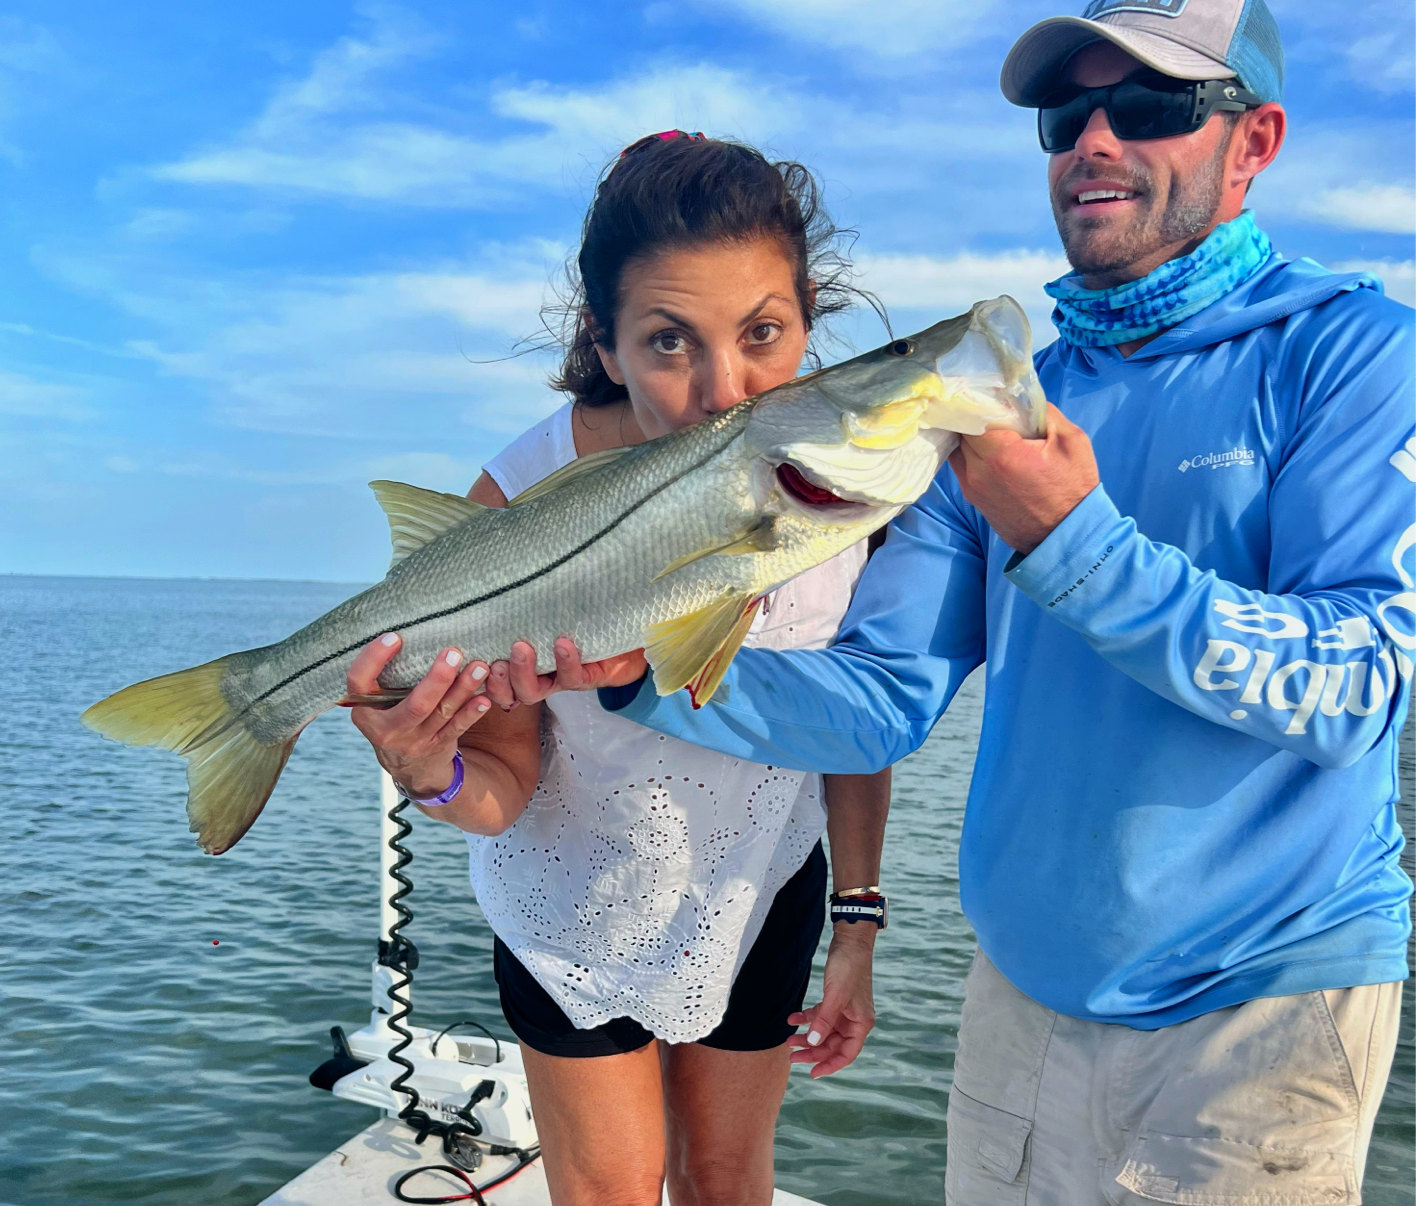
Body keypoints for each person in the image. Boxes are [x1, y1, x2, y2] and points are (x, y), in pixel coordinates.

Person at [491, 3, 1416, 1203]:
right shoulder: (996, 404)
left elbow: (1360, 688)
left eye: (1149, 107)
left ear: (1255, 141)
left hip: (1256, 1005)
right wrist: (630, 676)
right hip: (1021, 991)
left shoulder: (1354, 358)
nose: (1093, 138)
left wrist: (1077, 541)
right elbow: (876, 702)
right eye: (1063, 112)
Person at [343, 132, 890, 1206]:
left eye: (764, 334)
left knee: (728, 1182)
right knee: (609, 1195)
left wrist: (858, 924)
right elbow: (497, 791)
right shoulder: (519, 494)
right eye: (669, 341)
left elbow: (855, 721)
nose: (724, 390)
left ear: (810, 311)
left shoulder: (848, 480)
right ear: (605, 338)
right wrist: (429, 772)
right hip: (574, 903)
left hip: (764, 883)